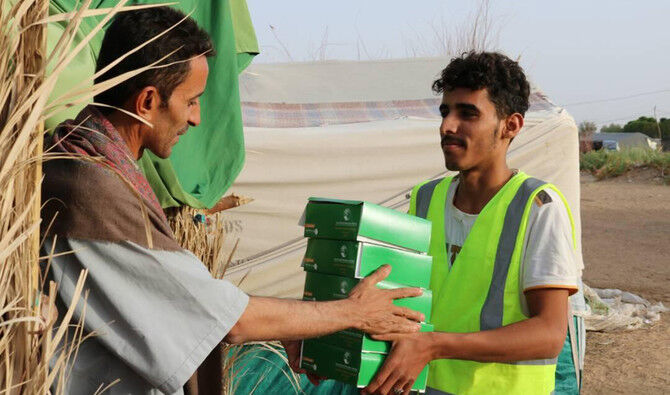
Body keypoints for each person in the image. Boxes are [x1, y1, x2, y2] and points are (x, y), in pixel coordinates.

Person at [40, 8, 423, 394]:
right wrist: (353, 312)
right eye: (191, 101)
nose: (197, 119)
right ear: (147, 101)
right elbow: (222, 318)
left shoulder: (84, 159)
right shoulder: (89, 185)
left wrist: (298, 325)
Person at [362, 52, 583, 395]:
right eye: (445, 111)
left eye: (468, 114)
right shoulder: (425, 199)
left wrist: (435, 345)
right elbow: (400, 299)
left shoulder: (537, 208)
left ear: (511, 126)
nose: (447, 126)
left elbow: (550, 335)